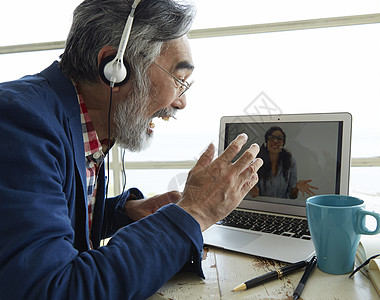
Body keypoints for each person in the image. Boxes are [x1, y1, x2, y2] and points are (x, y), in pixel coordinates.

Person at [0, 0, 263, 299]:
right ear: (115, 67)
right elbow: (53, 289)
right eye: (179, 79)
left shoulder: (76, 121)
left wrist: (122, 212)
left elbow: (46, 219)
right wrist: (194, 212)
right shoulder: (20, 122)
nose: (181, 102)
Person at [249, 126, 318, 199]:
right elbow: (254, 190)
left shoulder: (290, 161)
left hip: (283, 206)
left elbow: (292, 196)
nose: (275, 141)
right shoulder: (258, 161)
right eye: (272, 138)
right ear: (267, 142)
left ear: (283, 143)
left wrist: (297, 188)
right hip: (262, 205)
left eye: (279, 139)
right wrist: (252, 190)